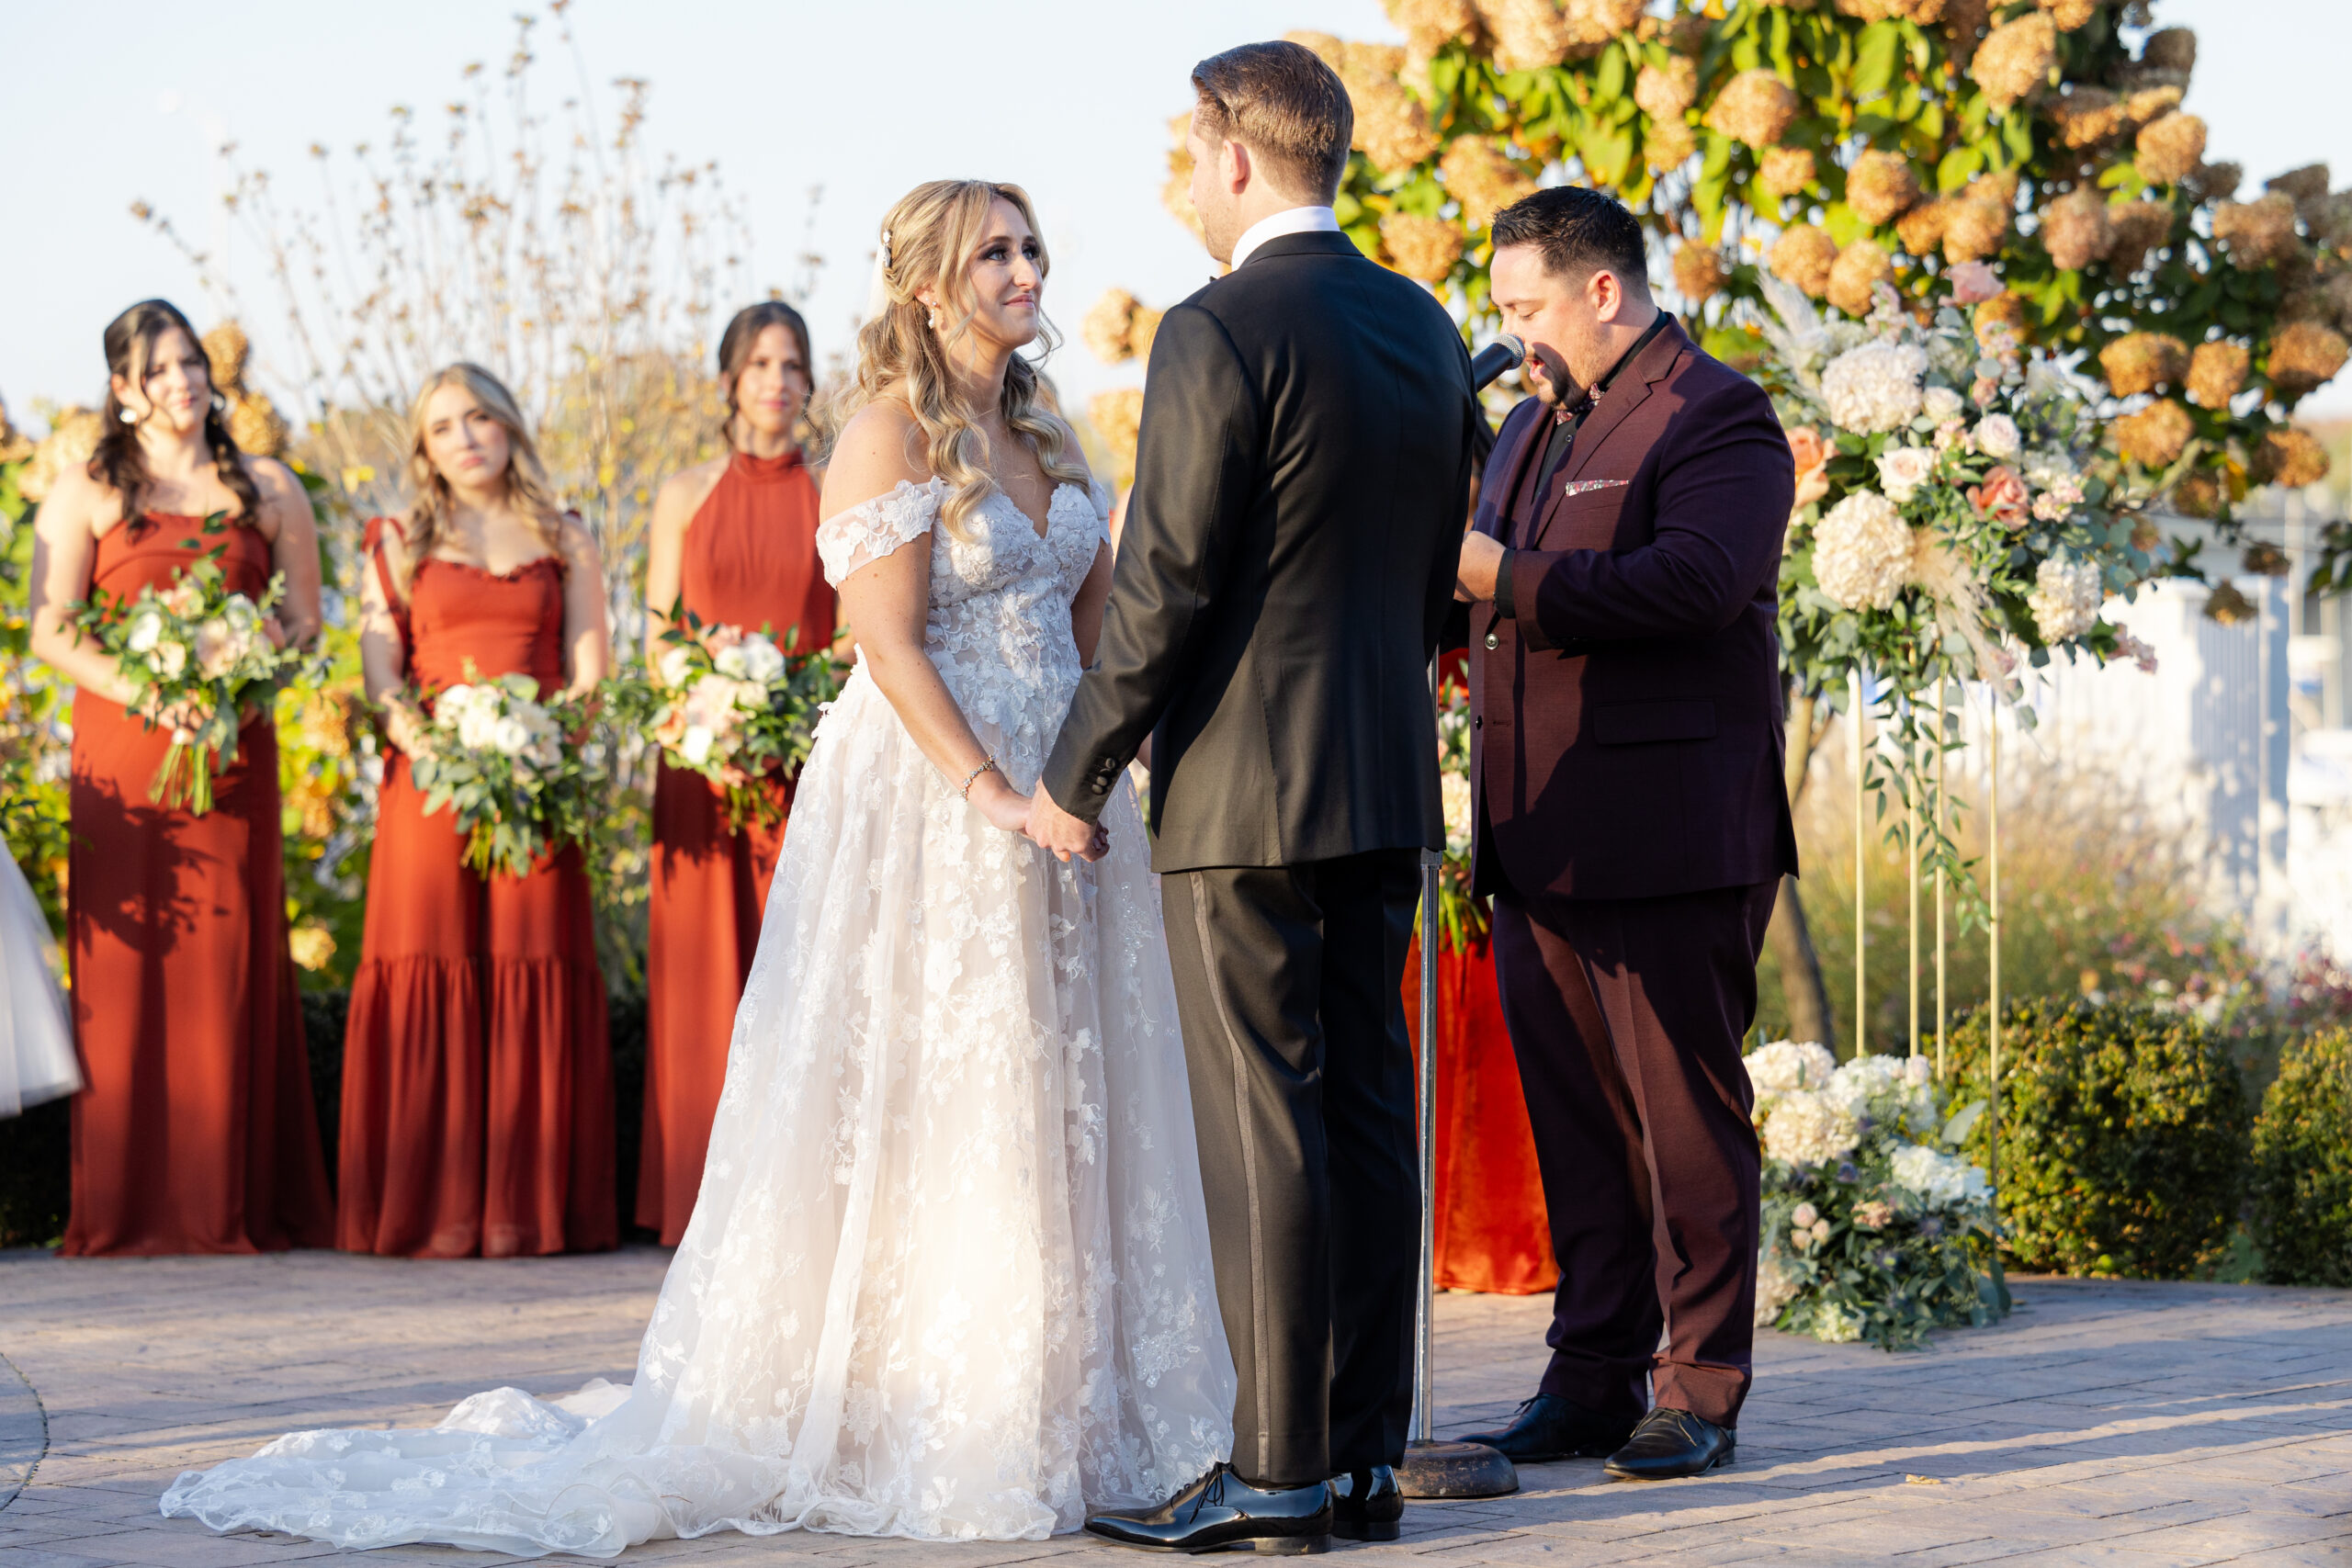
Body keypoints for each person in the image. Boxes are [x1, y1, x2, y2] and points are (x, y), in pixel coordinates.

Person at [162, 179, 1235, 1554]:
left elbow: (1096, 633)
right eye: (997, 252)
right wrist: (994, 794)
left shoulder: (1049, 428)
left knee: (1066, 1088)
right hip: (937, 795)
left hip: (1063, 802)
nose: (1029, 269)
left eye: (1032, 246)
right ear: (926, 285)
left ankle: (1075, 1405)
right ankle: (941, 1409)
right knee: (952, 1091)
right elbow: (894, 645)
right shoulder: (884, 432)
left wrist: (1098, 782)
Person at [1028, 40, 1480, 1553]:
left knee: (1261, 1126)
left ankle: (1274, 1473)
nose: (1180, 183)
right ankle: (1356, 1467)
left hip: (1243, 794)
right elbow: (1433, 581)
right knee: (1361, 1109)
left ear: (1234, 156)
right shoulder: (1424, 326)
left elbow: (1163, 586)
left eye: (1184, 153)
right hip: (1382, 778)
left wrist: (1073, 773)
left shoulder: (1218, 329)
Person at [1448, 186, 1798, 1482]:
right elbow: (1481, 606)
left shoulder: (1718, 412)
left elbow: (1699, 584)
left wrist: (1502, 580)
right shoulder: (1531, 427)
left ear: (1605, 291)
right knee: (1581, 1124)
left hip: (1671, 835)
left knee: (1688, 1122)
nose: (1516, 336)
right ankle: (1590, 1377)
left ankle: (1698, 1383)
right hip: (1541, 836)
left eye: (1529, 307)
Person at [27, 299, 334, 1256]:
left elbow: (306, 625)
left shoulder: (270, 486)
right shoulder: (83, 491)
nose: (183, 381)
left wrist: (244, 684)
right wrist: (148, 695)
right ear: (123, 389)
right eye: (157, 370)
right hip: (124, 758)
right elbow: (51, 626)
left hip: (232, 750)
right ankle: (124, 1205)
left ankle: (225, 1204)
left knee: (225, 965)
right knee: (126, 971)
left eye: (192, 362)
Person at [335, 363, 618, 1258]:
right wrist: (435, 750)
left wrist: (541, 748)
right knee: (432, 963)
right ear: (423, 447)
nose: (465, 438)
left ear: (509, 426)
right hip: (428, 789)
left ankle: (522, 1213)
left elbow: (590, 674)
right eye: (444, 426)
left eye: (480, 419)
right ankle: (432, 1212)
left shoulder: (566, 537)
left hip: (537, 786)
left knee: (532, 957)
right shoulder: (394, 541)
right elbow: (382, 677)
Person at [638, 301, 834, 1247]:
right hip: (701, 770)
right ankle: (695, 1197)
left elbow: (852, 642)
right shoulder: (681, 493)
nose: (777, 381)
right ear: (727, 378)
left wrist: (788, 706)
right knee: (703, 980)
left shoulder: (837, 488)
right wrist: (707, 707)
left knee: (797, 974)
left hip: (802, 766)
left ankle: (791, 1209)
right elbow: (655, 638)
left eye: (792, 364)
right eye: (759, 363)